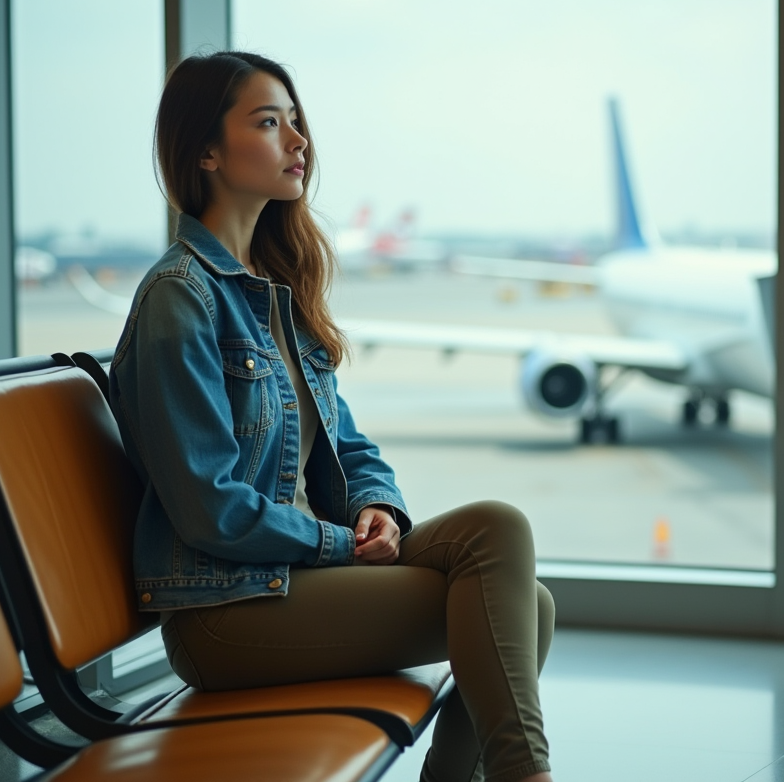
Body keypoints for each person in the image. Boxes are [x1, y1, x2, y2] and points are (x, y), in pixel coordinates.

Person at [108, 50, 555, 782]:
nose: (298, 140)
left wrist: (376, 509)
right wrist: (340, 543)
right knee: (518, 600)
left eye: (295, 121)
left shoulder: (271, 290)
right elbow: (209, 508)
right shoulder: (180, 298)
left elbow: (346, 445)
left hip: (291, 578)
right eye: (268, 122)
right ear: (207, 152)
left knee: (509, 553)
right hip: (225, 612)